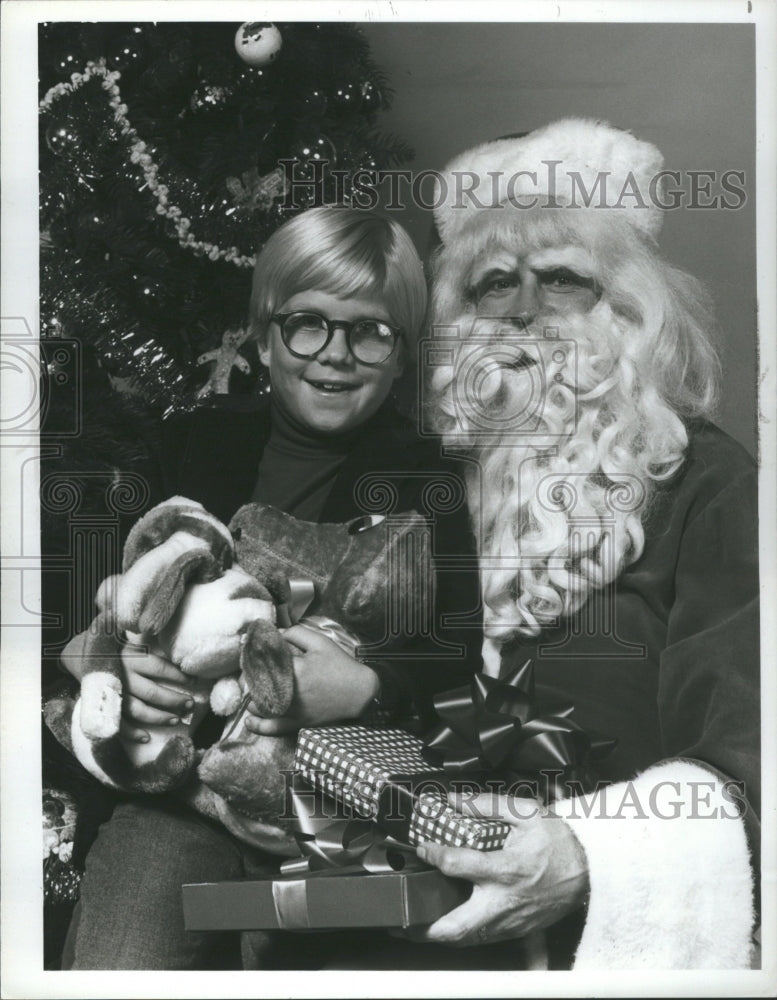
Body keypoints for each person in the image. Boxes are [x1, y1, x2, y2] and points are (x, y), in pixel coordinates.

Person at [57, 205, 481, 969]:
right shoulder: (192, 441)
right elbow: (107, 592)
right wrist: (121, 669)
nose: (336, 355)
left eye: (370, 331)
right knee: (125, 957)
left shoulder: (427, 481)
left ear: (401, 355)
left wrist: (367, 685)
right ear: (262, 335)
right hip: (178, 793)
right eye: (307, 324)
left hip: (332, 802)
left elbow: (457, 646)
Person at [407, 119, 759, 969]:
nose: (524, 310)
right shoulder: (416, 484)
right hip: (412, 911)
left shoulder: (710, 483)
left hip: (609, 928)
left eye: (562, 279)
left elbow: (750, 747)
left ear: (628, 308)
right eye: (494, 285)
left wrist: (588, 854)